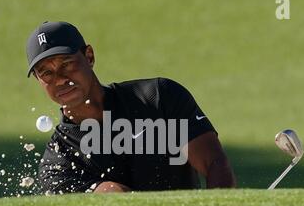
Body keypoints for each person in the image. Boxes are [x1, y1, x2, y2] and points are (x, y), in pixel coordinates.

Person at [26, 21, 236, 193]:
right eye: (46, 73)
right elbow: (117, 199)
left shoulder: (158, 98)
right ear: (38, 80)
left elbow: (214, 164)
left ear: (89, 56)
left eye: (67, 63)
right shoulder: (58, 162)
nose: (60, 79)